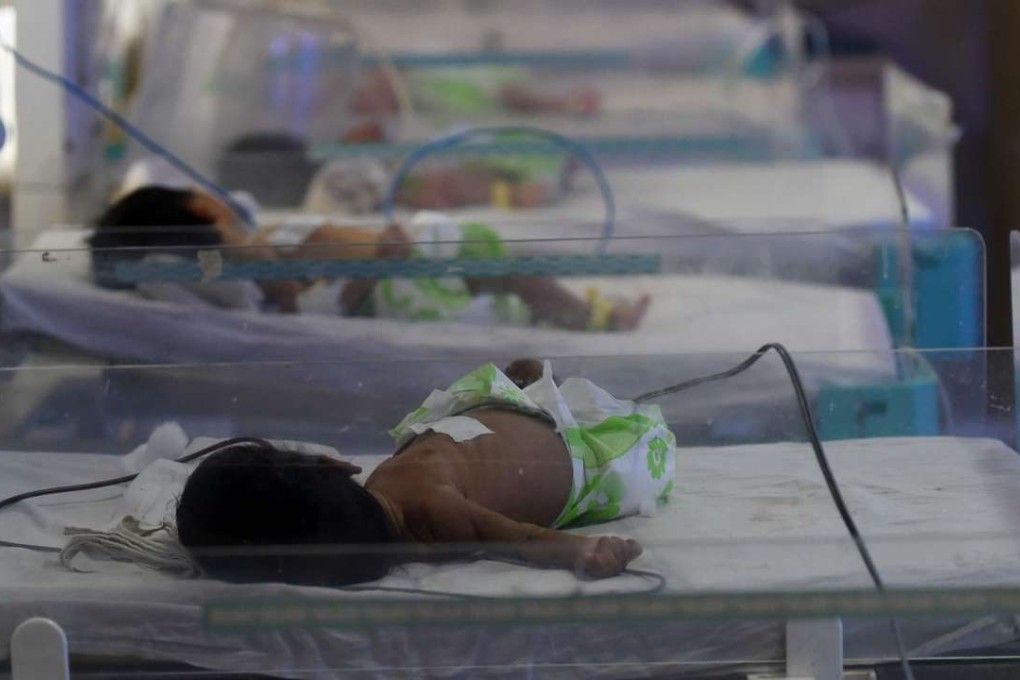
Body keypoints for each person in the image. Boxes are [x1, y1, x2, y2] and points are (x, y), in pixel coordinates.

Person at [175, 359, 676, 586]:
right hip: (561, 446)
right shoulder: (410, 497)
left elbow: (510, 536)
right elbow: (519, 536)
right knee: (447, 435)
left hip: (514, 430)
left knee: (453, 440)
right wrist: (586, 550)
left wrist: (584, 552)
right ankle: (531, 390)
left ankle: (531, 392)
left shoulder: (429, 512)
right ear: (337, 464)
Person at [90, 186, 650, 328]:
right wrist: (380, 260)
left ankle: (573, 309)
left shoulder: (248, 244)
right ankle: (590, 317)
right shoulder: (229, 262)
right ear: (204, 209)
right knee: (504, 274)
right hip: (386, 287)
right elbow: (300, 303)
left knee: (495, 262)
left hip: (392, 267)